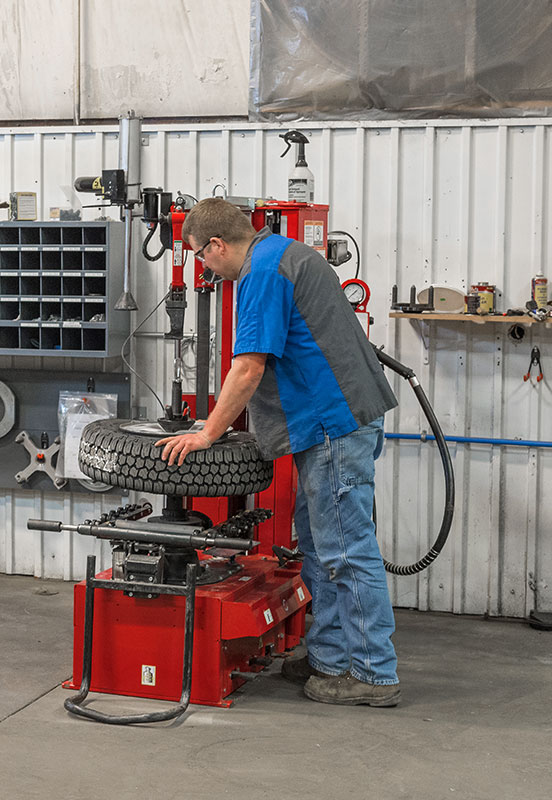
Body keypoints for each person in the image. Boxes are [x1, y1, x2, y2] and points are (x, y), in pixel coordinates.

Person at [157, 198, 400, 707]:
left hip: (333, 424)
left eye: (200, 255)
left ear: (218, 245)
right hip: (331, 422)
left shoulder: (263, 272)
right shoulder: (287, 252)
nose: (204, 267)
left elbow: (249, 366)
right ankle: (331, 659)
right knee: (320, 545)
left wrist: (207, 433)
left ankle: (373, 674)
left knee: (347, 552)